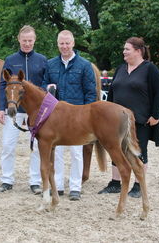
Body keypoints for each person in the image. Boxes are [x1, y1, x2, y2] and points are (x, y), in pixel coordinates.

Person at [98, 37, 159, 198]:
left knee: (138, 151)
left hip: (140, 120)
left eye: (127, 49)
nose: (124, 52)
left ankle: (138, 185)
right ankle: (115, 182)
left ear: (138, 51)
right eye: (124, 49)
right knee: (117, 149)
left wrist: (155, 115)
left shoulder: (149, 69)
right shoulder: (121, 69)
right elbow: (112, 93)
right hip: (117, 120)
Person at [42, 30, 97, 201]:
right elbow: (43, 86)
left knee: (76, 152)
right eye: (61, 43)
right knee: (56, 152)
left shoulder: (85, 65)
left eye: (67, 43)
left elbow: (90, 92)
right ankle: (57, 185)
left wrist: (86, 115)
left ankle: (75, 187)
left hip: (77, 116)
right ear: (57, 44)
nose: (64, 47)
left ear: (73, 43)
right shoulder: (50, 65)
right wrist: (47, 88)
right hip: (56, 117)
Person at [0, 25, 48, 194]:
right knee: (8, 145)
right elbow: (3, 84)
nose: (27, 43)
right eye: (24, 40)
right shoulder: (10, 59)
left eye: (30, 40)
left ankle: (35, 181)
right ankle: (7, 179)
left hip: (36, 112)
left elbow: (46, 85)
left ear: (35, 40)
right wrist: (1, 108)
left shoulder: (42, 60)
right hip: (14, 110)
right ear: (19, 40)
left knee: (36, 147)